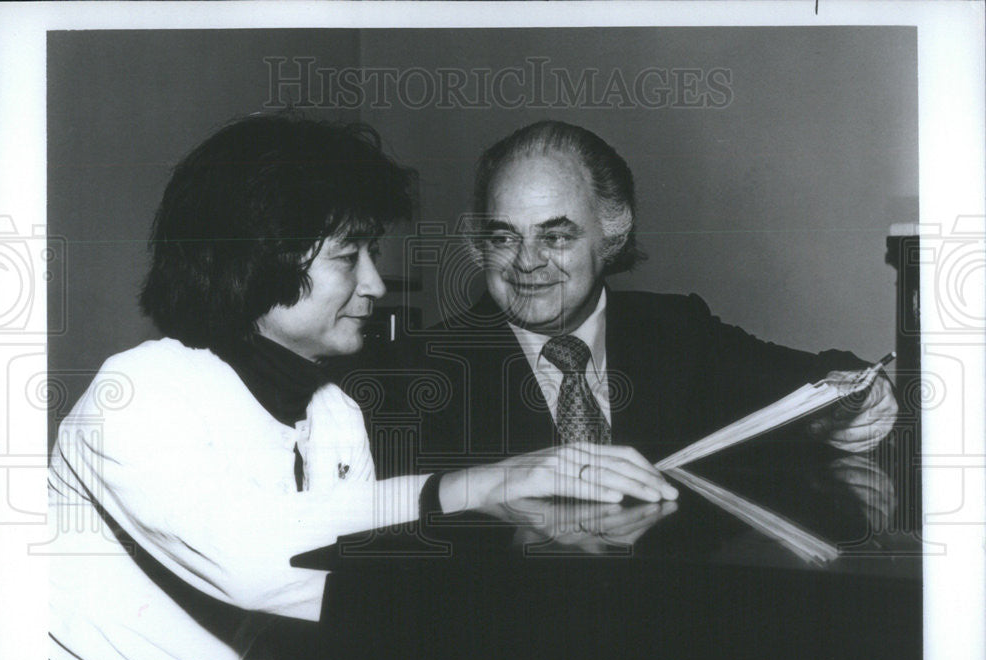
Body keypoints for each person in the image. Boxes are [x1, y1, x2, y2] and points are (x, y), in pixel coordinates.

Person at [47, 114, 675, 660]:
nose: (376, 283)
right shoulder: (139, 393)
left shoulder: (337, 415)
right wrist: (477, 487)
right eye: (351, 256)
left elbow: (375, 603)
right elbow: (263, 564)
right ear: (260, 257)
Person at [362, 120, 897, 474]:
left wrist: (853, 406)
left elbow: (818, 380)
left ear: (612, 235)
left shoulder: (679, 332)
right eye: (505, 236)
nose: (526, 261)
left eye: (556, 236)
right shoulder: (409, 375)